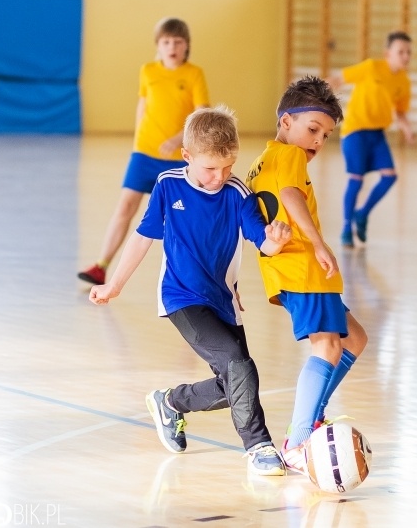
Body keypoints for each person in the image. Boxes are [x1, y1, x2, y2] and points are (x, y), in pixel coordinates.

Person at [89, 106, 291, 476]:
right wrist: (114, 285)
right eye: (210, 168)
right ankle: (259, 446)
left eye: (228, 166)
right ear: (187, 156)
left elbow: (260, 239)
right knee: (238, 364)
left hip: (223, 301)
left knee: (236, 383)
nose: (220, 176)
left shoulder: (237, 193)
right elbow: (143, 237)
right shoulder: (168, 185)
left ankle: (170, 402)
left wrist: (275, 242)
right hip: (181, 297)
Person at [245, 76, 369, 473]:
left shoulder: (262, 160)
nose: (318, 140)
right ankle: (298, 442)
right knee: (328, 346)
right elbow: (290, 195)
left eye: (326, 135)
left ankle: (311, 418)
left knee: (353, 338)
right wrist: (317, 242)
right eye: (313, 129)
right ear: (286, 122)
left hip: (284, 269)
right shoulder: (291, 156)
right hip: (301, 266)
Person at [78, 17, 209, 285]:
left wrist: (178, 139)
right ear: (158, 45)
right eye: (166, 42)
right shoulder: (148, 71)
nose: (172, 47)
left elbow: (201, 114)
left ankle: (197, 273)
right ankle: (101, 266)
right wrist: (138, 138)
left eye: (178, 42)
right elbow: (143, 105)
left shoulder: (194, 74)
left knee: (184, 216)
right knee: (126, 206)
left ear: (187, 45)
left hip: (178, 158)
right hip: (144, 153)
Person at [329, 31, 414, 248]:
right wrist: (318, 92)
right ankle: (346, 228)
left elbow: (400, 111)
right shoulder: (371, 67)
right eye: (401, 52)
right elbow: (339, 79)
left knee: (389, 177)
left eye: (408, 52)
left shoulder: (404, 82)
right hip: (355, 131)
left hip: (377, 134)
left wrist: (407, 129)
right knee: (356, 179)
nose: (406, 56)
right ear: (388, 54)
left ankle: (362, 214)